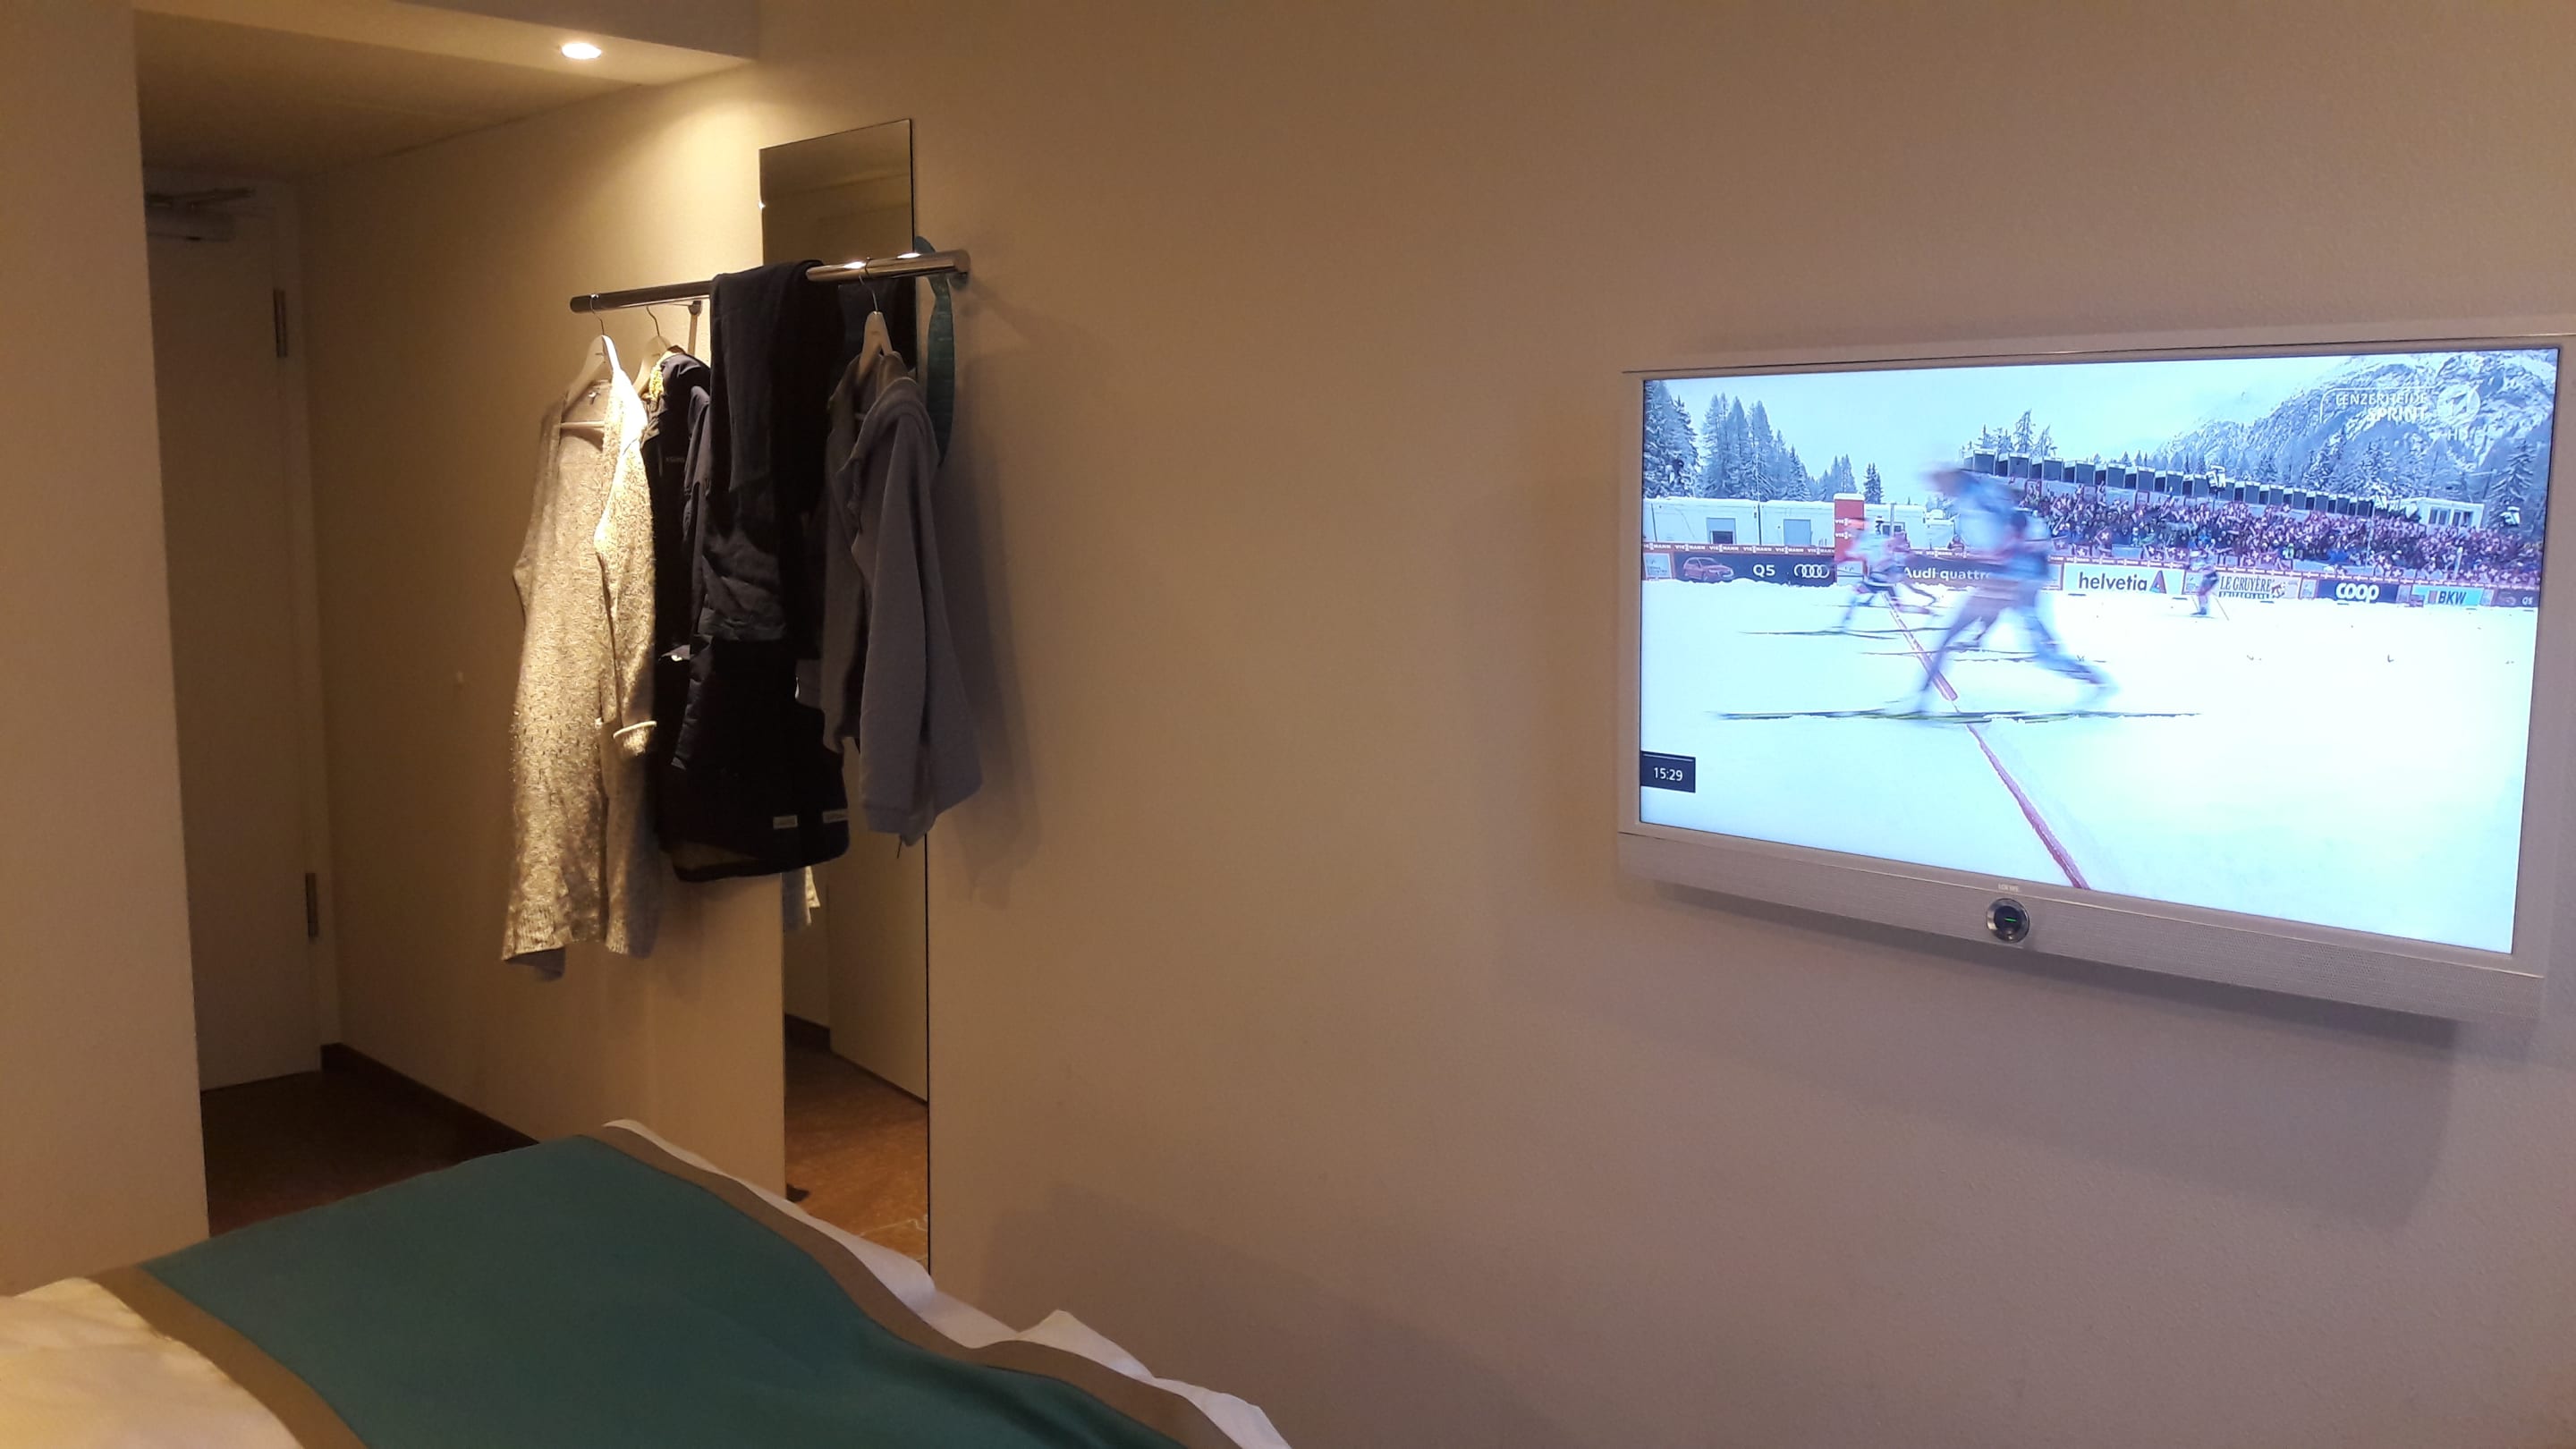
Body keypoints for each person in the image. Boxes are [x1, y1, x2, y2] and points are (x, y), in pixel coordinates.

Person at [1909, 470, 2111, 709]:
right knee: (1957, 634)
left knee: (2041, 653)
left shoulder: (1984, 503)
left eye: (1939, 485)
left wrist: (1931, 562)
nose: (1939, 491)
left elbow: (1999, 555)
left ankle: (2096, 681)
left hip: (2016, 583)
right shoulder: (1977, 502)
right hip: (2009, 580)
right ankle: (1920, 698)